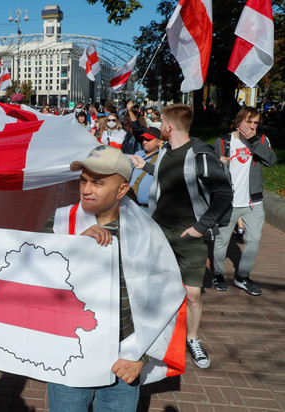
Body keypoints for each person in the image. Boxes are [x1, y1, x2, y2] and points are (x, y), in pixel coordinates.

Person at [48, 145, 186, 412]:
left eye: (98, 183)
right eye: (83, 181)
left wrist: (141, 357)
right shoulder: (59, 223)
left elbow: (166, 297)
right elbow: (35, 285)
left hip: (123, 361)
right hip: (70, 357)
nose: (87, 189)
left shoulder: (146, 233)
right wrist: (73, 249)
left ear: (121, 190)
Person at [130, 104, 233, 369]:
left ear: (169, 126)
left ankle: (192, 339)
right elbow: (172, 177)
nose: (159, 123)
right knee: (153, 285)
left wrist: (201, 227)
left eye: (161, 120)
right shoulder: (165, 151)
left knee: (193, 294)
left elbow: (223, 195)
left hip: (190, 236)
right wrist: (146, 167)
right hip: (159, 231)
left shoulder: (201, 155)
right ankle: (153, 336)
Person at [212, 107, 276, 295]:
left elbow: (271, 161)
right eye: (249, 122)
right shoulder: (224, 141)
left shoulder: (261, 140)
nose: (253, 127)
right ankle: (217, 273)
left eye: (256, 123)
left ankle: (242, 276)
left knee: (254, 240)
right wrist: (219, 163)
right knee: (222, 241)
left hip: (253, 202)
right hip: (229, 202)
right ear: (239, 121)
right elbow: (211, 170)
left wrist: (254, 140)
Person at [128, 127, 162, 210]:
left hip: (149, 208)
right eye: (143, 139)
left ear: (159, 142)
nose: (144, 142)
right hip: (131, 205)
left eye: (148, 140)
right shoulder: (138, 154)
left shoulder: (163, 157)